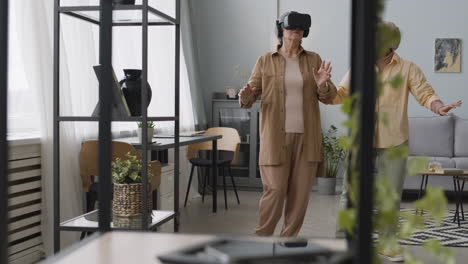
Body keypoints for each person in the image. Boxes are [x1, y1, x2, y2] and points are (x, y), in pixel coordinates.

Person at [333, 21, 462, 262]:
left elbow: (425, 93)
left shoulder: (408, 68)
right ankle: (345, 240)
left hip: (394, 140)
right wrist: (323, 86)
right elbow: (340, 94)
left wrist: (438, 106)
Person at [239, 11, 337, 237]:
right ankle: (261, 239)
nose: (296, 31)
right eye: (291, 27)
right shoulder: (265, 60)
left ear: (305, 33)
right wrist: (245, 96)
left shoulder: (314, 59)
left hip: (307, 139)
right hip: (275, 138)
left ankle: (287, 244)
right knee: (275, 189)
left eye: (300, 29)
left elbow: (329, 97)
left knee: (300, 195)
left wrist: (322, 84)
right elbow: (249, 97)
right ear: (281, 30)